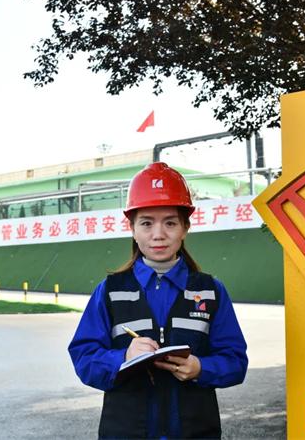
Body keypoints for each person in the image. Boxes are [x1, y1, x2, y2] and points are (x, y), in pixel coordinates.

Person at [68, 162, 248, 439]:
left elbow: (235, 361)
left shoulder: (211, 291)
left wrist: (201, 368)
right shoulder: (110, 291)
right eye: (146, 223)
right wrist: (123, 357)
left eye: (170, 223)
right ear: (132, 228)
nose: (158, 234)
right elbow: (84, 357)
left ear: (185, 227)